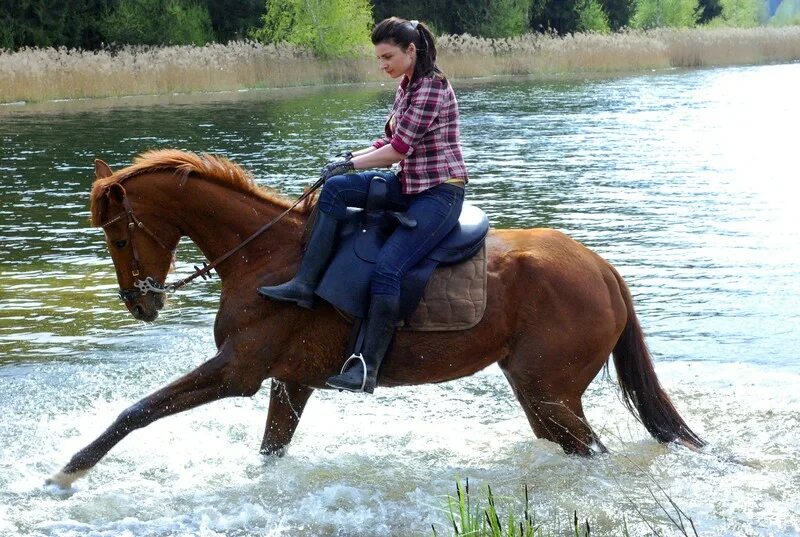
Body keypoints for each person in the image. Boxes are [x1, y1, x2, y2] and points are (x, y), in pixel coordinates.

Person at [258, 17, 468, 393]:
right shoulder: (407, 85)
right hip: (409, 184)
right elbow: (387, 141)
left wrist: (352, 163)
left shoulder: (431, 88)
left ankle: (366, 367)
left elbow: (398, 151)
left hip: (439, 194)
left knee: (388, 269)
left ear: (411, 51)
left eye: (387, 56)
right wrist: (345, 159)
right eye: (378, 58)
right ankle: (305, 284)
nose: (382, 64)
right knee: (336, 189)